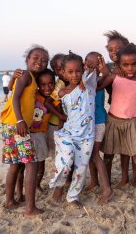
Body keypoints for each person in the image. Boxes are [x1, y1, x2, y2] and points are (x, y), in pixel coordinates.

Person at [99, 43, 136, 199]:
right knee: (108, 157)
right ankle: (107, 187)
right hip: (113, 122)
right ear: (119, 65)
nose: (130, 68)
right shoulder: (114, 77)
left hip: (131, 123)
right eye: (126, 65)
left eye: (134, 64)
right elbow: (96, 87)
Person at [0, 44, 49, 217]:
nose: (39, 62)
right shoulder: (26, 75)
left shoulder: (30, 78)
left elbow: (13, 91)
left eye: (44, 60)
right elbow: (15, 98)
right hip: (17, 124)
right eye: (35, 58)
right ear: (27, 60)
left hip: (10, 124)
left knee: (15, 165)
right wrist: (21, 120)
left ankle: (10, 201)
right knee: (32, 163)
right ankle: (30, 208)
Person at [49, 51, 97, 207]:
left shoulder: (88, 85)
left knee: (81, 169)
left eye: (78, 71)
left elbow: (92, 70)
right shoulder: (62, 92)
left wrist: (88, 69)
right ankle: (59, 185)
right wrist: (60, 117)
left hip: (87, 136)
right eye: (70, 72)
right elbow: (49, 103)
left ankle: (73, 197)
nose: (75, 75)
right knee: (66, 161)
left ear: (82, 70)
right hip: (68, 134)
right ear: (63, 73)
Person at [83, 51, 113, 205]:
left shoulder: (99, 81)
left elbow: (109, 76)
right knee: (89, 154)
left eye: (97, 63)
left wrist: (104, 70)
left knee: (95, 154)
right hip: (87, 123)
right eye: (90, 62)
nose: (93, 66)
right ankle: (94, 181)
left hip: (98, 121)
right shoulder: (83, 79)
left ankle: (107, 189)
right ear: (84, 62)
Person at [29, 69, 62, 193]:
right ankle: (33, 185)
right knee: (32, 164)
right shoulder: (34, 95)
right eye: (42, 85)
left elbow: (60, 114)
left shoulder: (54, 98)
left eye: (50, 84)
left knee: (41, 162)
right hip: (30, 133)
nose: (47, 87)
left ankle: (37, 184)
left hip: (42, 133)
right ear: (37, 85)